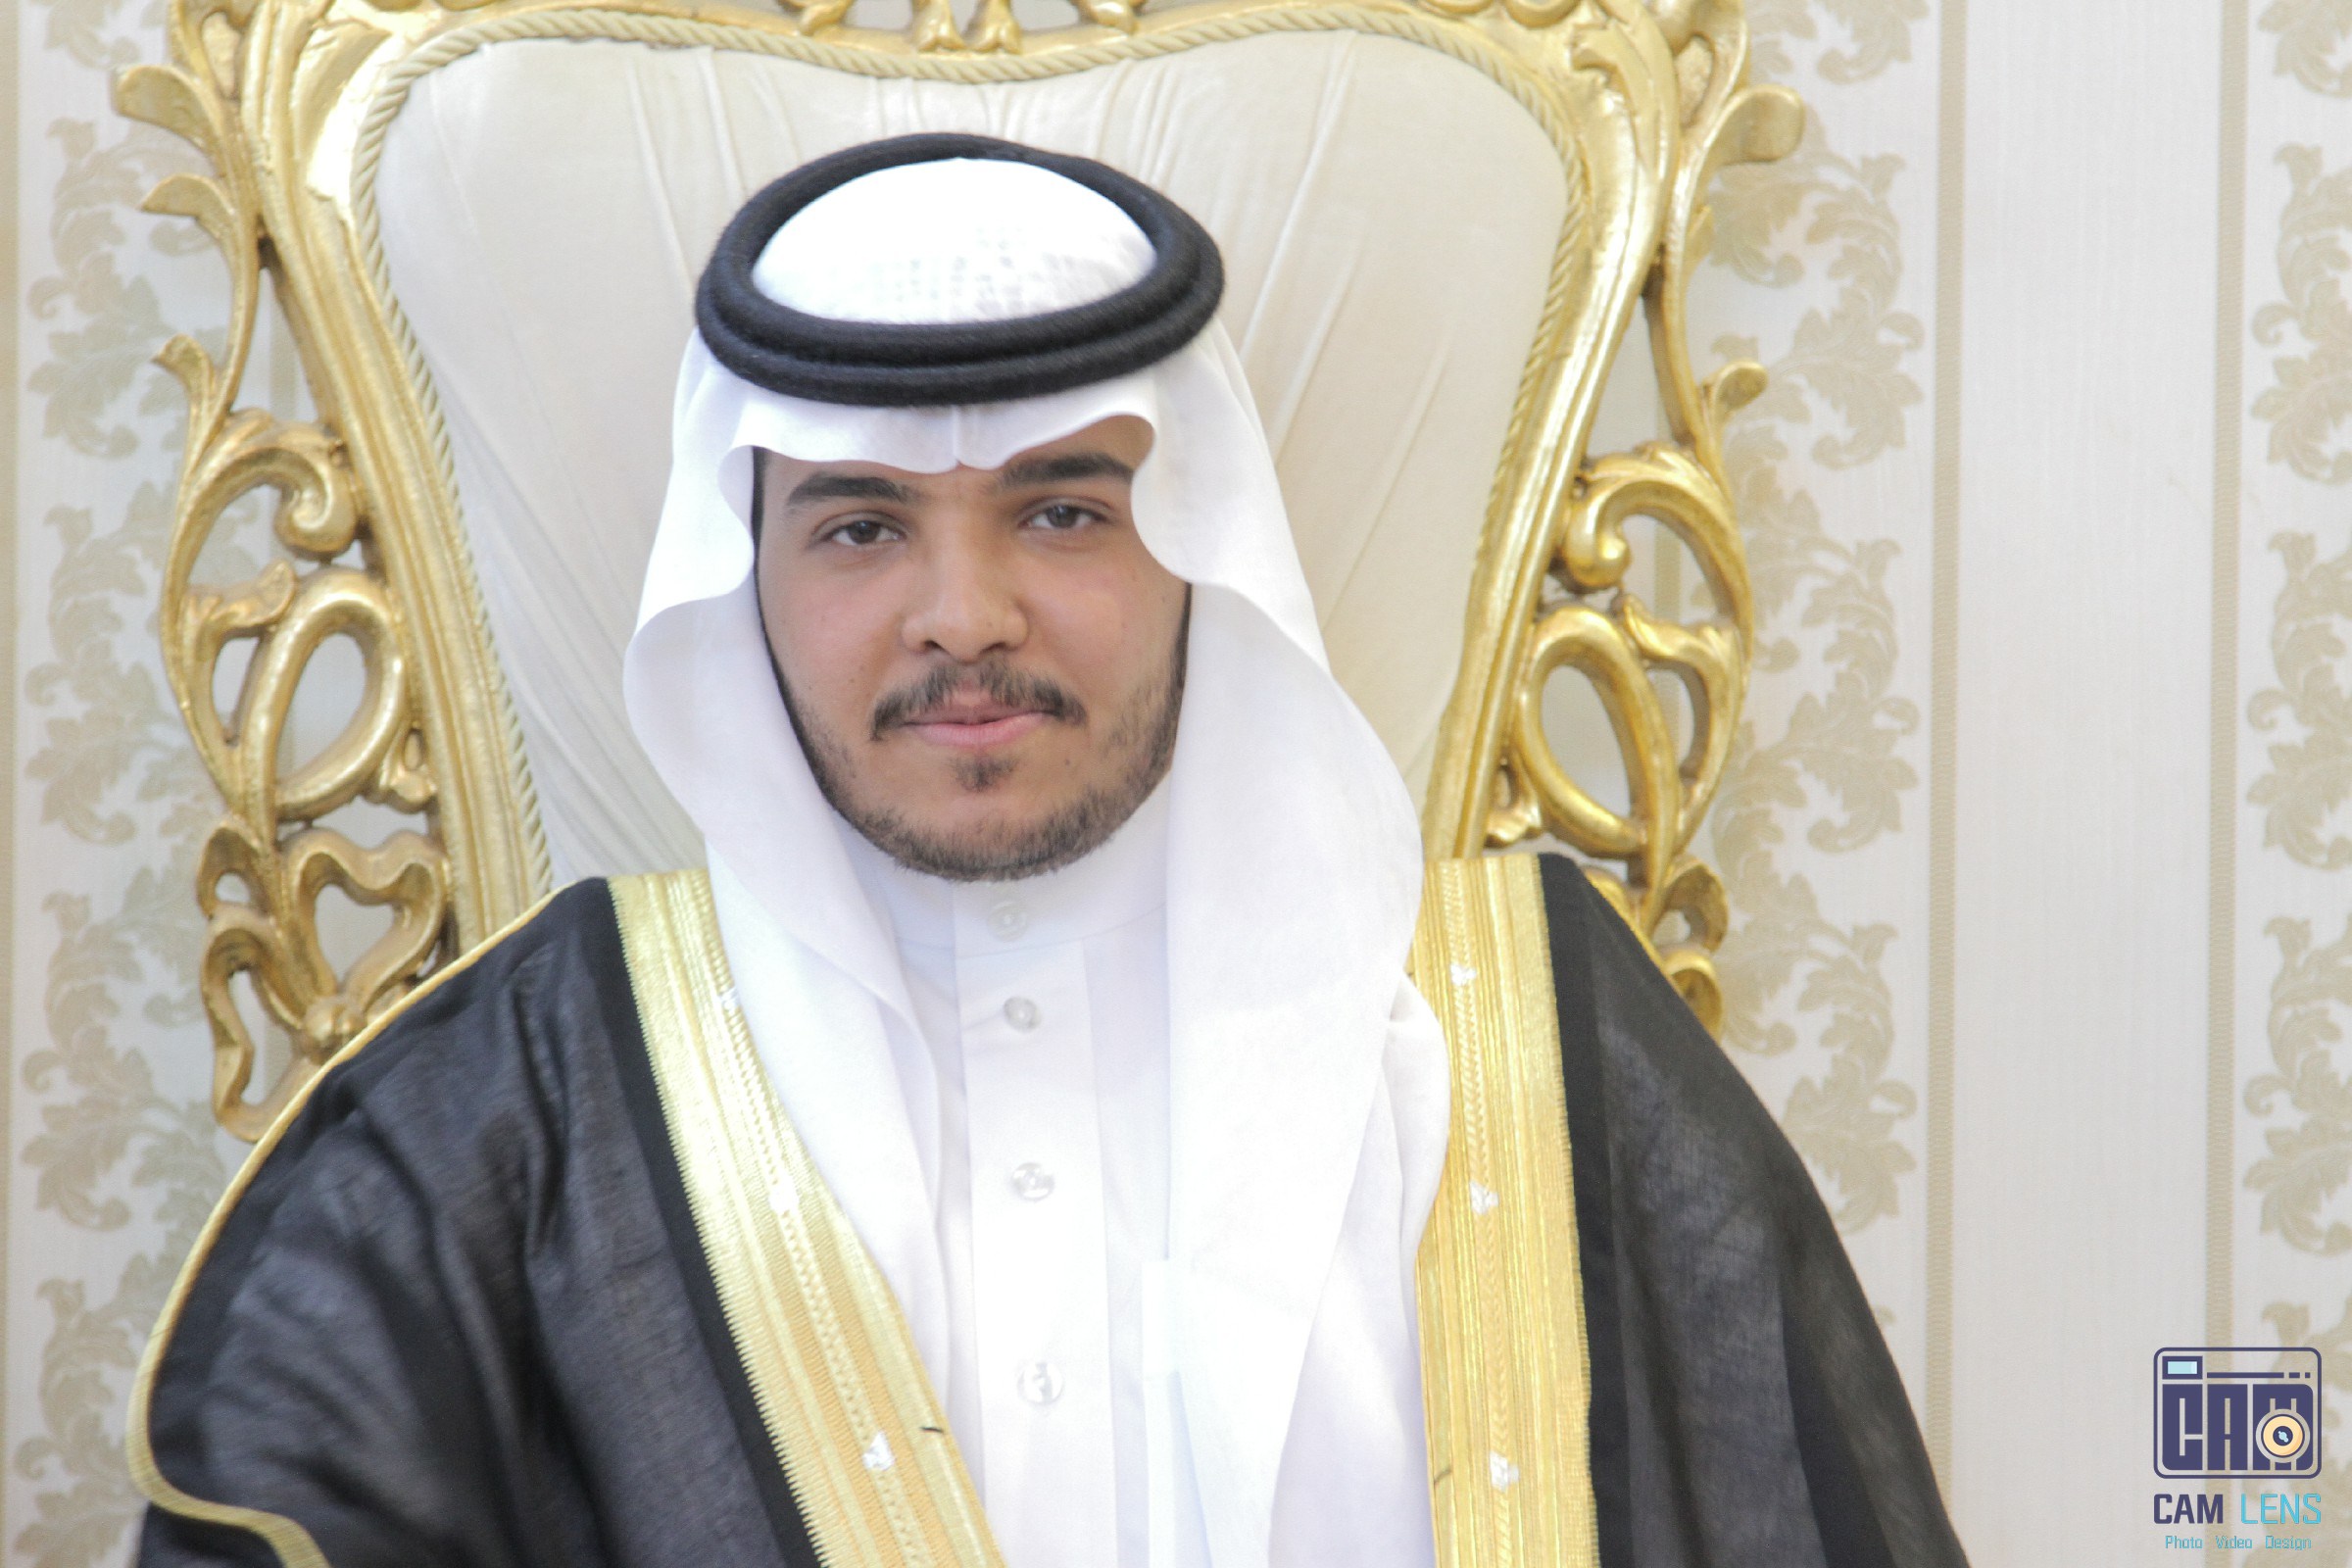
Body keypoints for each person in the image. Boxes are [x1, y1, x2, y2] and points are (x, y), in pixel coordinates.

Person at [129, 135, 1969, 1568]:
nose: (965, 614)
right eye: (860, 528)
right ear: (743, 582)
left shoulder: (1527, 1048)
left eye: (1065, 511)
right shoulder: (511, 1119)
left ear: (1202, 549)